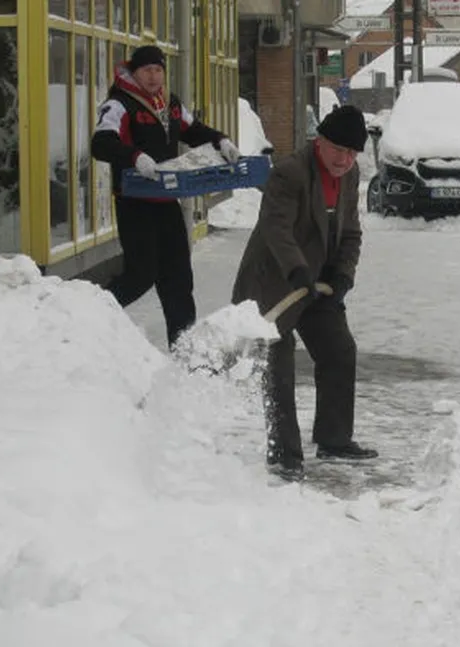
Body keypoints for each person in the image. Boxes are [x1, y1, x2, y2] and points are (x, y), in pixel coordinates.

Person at [231, 105, 377, 482]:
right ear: (320, 142)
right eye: (338, 151)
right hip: (275, 283)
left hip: (319, 283)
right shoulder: (290, 173)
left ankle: (334, 438)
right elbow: (276, 229)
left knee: (339, 349)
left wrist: (342, 276)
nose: (345, 160)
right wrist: (296, 270)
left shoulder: (349, 174)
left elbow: (351, 233)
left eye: (352, 153)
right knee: (280, 366)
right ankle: (285, 454)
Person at [91, 45, 239, 349]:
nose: (154, 76)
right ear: (135, 72)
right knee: (140, 275)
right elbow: (100, 143)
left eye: (159, 70)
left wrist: (220, 140)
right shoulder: (119, 104)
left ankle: (185, 353)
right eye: (147, 70)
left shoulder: (168, 104)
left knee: (179, 281)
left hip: (167, 202)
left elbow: (192, 129)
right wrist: (133, 157)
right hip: (134, 203)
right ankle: (87, 314)